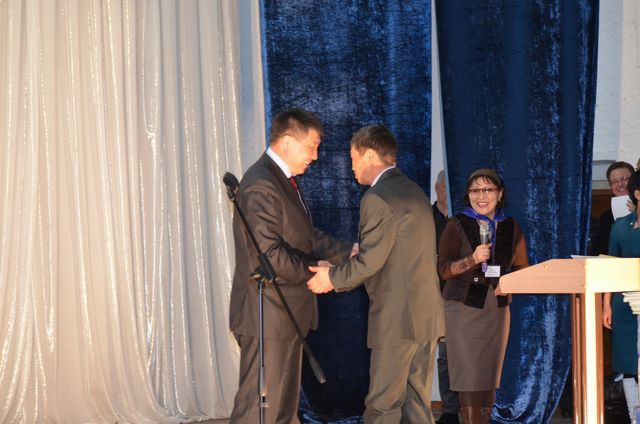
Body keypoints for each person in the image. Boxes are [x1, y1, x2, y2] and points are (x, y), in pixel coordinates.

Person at [307, 125, 445, 423]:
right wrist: (346, 263)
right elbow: (395, 254)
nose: (352, 166)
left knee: (383, 406)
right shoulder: (413, 190)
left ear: (369, 155)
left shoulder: (377, 197)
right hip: (425, 317)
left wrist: (331, 278)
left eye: (353, 157)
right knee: (417, 407)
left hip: (397, 321)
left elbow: (371, 263)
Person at [228, 108, 353, 423]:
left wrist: (346, 252)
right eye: (311, 146)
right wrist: (314, 270)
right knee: (258, 411)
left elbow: (305, 237)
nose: (315, 156)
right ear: (286, 142)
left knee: (282, 409)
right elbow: (269, 254)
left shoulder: (281, 180)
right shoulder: (261, 183)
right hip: (267, 314)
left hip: (285, 313)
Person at [437, 168, 529, 424]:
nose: (481, 196)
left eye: (488, 190)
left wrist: (509, 283)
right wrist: (472, 259)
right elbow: (443, 269)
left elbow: (522, 267)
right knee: (468, 374)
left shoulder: (511, 226)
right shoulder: (456, 224)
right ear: (468, 195)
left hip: (497, 310)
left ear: (499, 194)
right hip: (463, 308)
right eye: (475, 190)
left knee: (489, 374)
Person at [602, 169, 640, 423]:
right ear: (638, 194)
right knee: (627, 363)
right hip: (625, 304)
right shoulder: (620, 227)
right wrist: (607, 304)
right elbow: (610, 267)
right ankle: (634, 416)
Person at [433, 170, 460, 424]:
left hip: (460, 294)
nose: (446, 192)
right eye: (443, 187)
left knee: (463, 355)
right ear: (436, 188)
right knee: (444, 358)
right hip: (434, 295)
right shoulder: (425, 218)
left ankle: (468, 408)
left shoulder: (461, 220)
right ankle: (450, 410)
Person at [592, 161, 635, 255]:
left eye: (625, 179)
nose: (620, 184)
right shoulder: (606, 216)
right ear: (611, 187)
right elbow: (601, 250)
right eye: (614, 182)